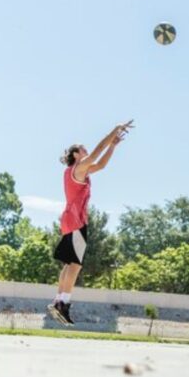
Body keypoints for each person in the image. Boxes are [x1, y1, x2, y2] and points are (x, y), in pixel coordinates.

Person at [48, 121, 133, 325]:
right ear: (76, 154)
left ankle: (59, 300)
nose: (86, 150)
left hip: (70, 219)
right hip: (76, 220)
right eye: (82, 148)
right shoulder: (78, 168)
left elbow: (101, 165)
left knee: (69, 264)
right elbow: (95, 155)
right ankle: (63, 303)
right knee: (75, 265)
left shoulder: (75, 171)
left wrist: (113, 146)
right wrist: (114, 131)